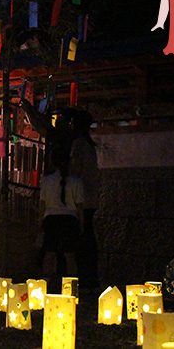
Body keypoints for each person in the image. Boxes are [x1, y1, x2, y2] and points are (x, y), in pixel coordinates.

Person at [39, 147, 84, 284]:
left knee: (49, 253)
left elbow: (43, 204)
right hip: (69, 219)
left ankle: (45, 283)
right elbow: (80, 207)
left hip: (51, 218)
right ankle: (71, 286)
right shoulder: (76, 181)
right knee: (70, 255)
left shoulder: (47, 181)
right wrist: (81, 224)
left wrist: (40, 222)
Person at [70, 110, 99, 289]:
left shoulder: (79, 144)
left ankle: (82, 277)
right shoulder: (90, 145)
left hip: (80, 199)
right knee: (88, 237)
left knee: (81, 238)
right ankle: (90, 276)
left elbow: (75, 170)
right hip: (91, 198)